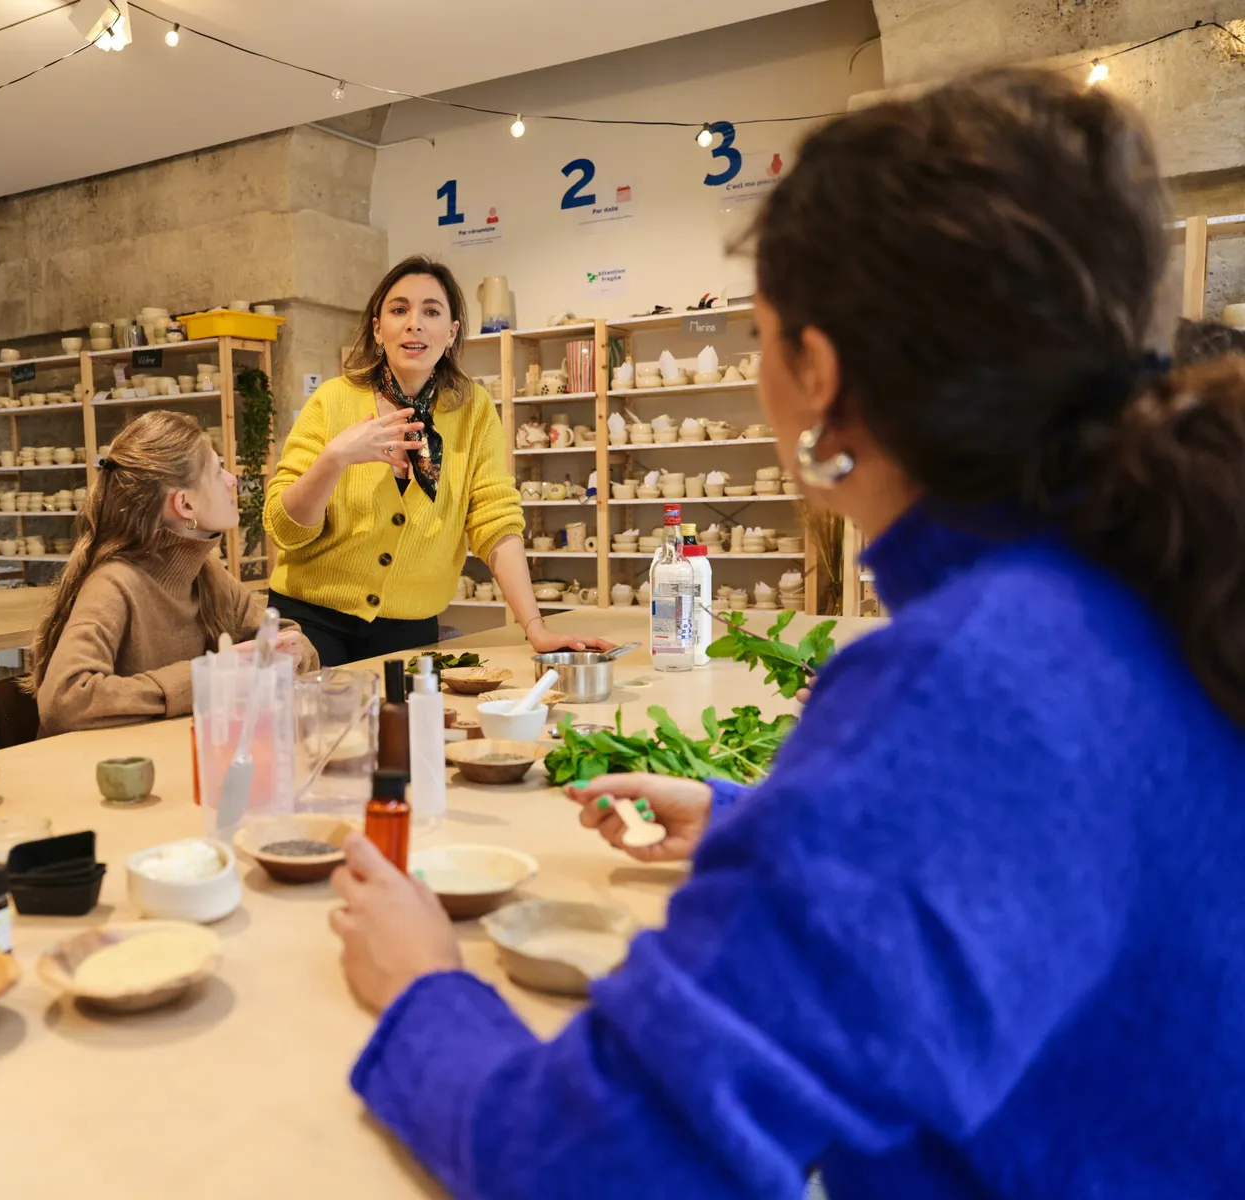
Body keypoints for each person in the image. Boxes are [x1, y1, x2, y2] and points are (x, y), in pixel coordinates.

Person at [326, 70, 1245, 1196]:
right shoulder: (1155, 572)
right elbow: (1044, 872)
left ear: (818, 372)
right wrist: (764, 827)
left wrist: (425, 988)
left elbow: (590, 1162)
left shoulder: (975, 678)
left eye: (759, 337)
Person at [264, 256, 611, 666]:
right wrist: (335, 459)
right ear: (378, 329)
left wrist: (536, 628)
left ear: (451, 332)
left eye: (431, 311)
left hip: (409, 630)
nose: (415, 323)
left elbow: (494, 519)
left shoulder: (473, 409)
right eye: (399, 310)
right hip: (308, 626)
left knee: (409, 729)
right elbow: (284, 529)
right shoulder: (333, 400)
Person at [28, 410, 317, 736]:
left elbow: (285, 635)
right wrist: (210, 677)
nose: (232, 479)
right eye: (216, 470)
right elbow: (64, 702)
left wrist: (289, 653)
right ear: (185, 505)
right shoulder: (114, 583)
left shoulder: (206, 572)